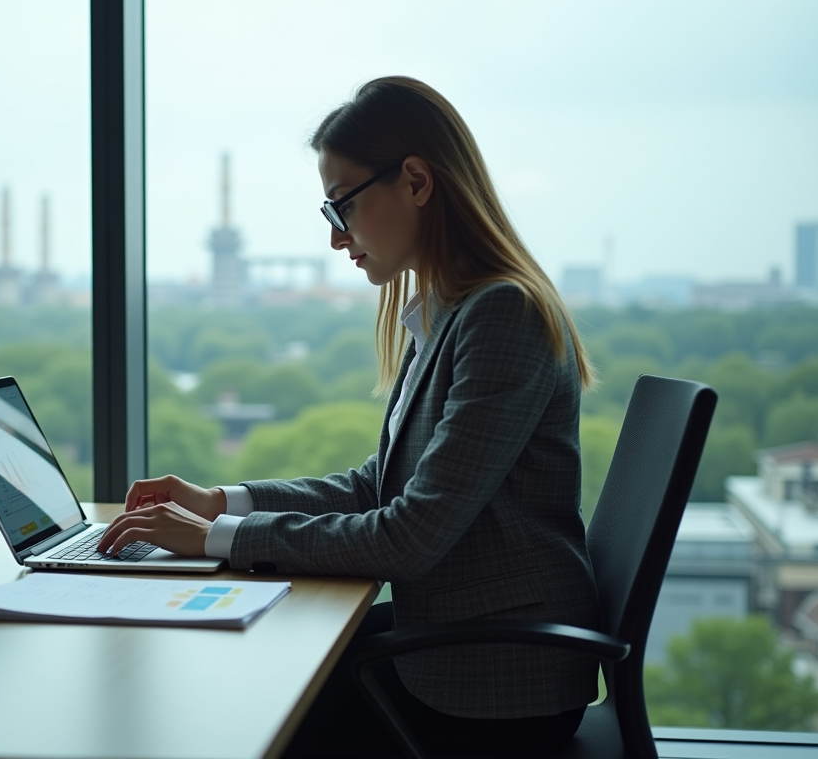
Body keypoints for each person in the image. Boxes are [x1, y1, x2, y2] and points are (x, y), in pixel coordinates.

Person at [98, 76, 601, 757]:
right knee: (258, 673)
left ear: (417, 181)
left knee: (247, 716)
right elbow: (379, 487)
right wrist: (220, 501)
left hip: (494, 685)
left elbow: (408, 537)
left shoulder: (500, 315)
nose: (338, 238)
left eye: (343, 208)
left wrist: (216, 537)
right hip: (455, 643)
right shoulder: (448, 313)